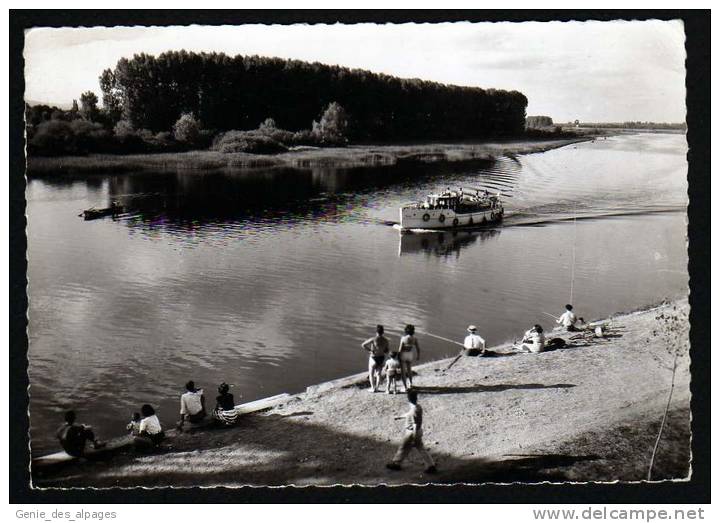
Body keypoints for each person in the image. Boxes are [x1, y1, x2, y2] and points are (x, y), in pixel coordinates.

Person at [386, 390, 436, 473]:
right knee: (421, 448)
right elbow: (409, 414)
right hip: (418, 432)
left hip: (412, 433)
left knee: (403, 447)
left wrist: (413, 438)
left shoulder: (413, 411)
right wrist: (400, 417)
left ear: (408, 399)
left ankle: (396, 464)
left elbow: (415, 425)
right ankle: (431, 465)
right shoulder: (418, 407)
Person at [361, 325, 390, 392]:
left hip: (373, 357)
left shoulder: (373, 339)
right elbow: (387, 350)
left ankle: (372, 388)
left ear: (376, 331)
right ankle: (377, 388)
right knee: (378, 374)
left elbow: (363, 345)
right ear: (383, 332)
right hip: (381, 358)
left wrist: (370, 350)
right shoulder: (386, 340)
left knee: (371, 374)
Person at [398, 324, 420, 390]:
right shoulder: (415, 339)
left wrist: (398, 357)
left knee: (403, 371)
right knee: (409, 370)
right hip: (410, 354)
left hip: (404, 354)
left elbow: (400, 349)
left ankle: (405, 387)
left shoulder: (403, 338)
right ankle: (410, 383)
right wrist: (418, 356)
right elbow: (418, 348)